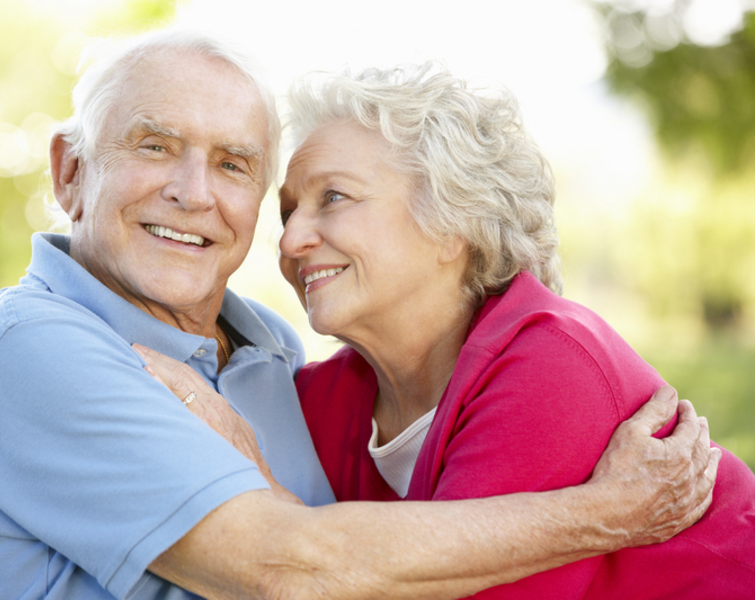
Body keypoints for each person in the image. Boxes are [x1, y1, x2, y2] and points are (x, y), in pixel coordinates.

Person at [0, 29, 718, 600]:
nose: (195, 193)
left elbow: (328, 563)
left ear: (451, 222)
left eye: (234, 166)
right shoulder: (35, 347)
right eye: (154, 146)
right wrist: (604, 513)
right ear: (70, 173)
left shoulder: (270, 359)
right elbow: (293, 570)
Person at [272, 64, 755, 596]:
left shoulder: (552, 366)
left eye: (333, 197)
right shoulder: (318, 401)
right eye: (287, 213)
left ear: (451, 224)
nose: (291, 240)